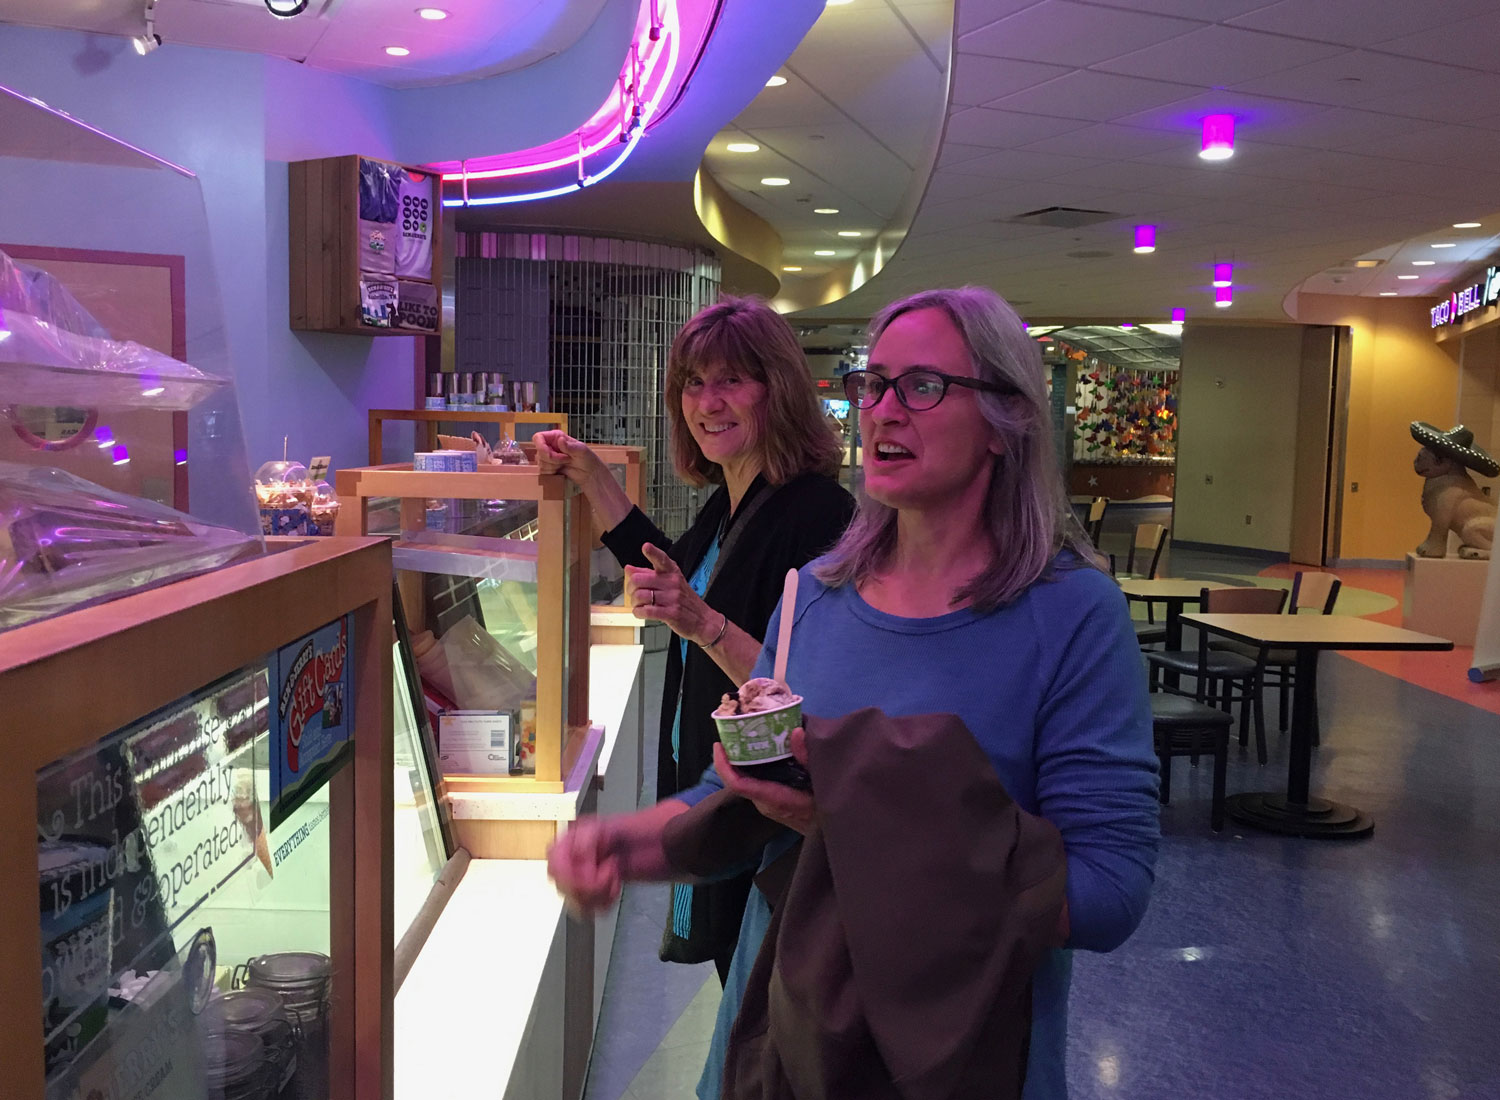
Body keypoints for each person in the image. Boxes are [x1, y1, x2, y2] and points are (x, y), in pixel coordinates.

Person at [548, 286, 1159, 1099]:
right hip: (783, 1039)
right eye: (874, 384)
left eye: (925, 386)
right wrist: (630, 845)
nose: (884, 410)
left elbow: (1108, 893)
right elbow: (739, 793)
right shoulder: (819, 596)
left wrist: (855, 813)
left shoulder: (1073, 613)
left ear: (1006, 421)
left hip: (950, 1055)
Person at [533, 295, 854, 983]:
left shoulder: (818, 510)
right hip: (714, 796)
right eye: (692, 384)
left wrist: (699, 621)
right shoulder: (734, 497)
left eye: (731, 380)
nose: (708, 401)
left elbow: (804, 690)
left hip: (766, 821)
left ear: (779, 389)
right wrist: (590, 474)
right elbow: (669, 566)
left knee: (760, 1017)